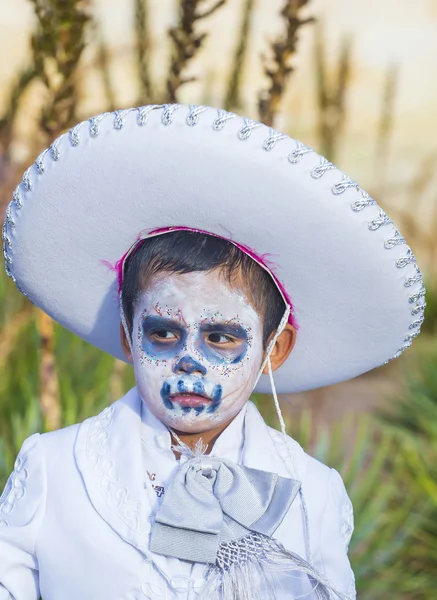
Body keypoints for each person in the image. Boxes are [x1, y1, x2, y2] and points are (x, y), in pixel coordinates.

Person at [0, 104, 425, 600]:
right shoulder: (55, 468)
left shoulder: (312, 491)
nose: (189, 361)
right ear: (126, 336)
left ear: (275, 347)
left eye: (222, 337)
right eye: (162, 334)